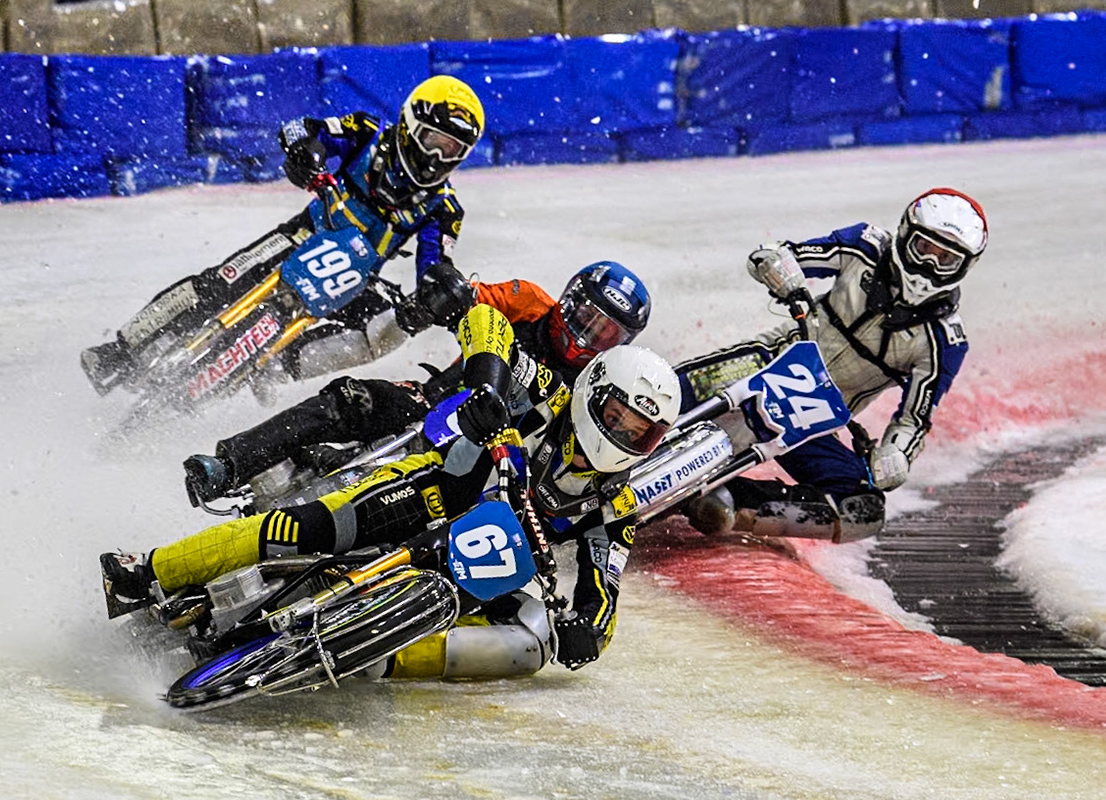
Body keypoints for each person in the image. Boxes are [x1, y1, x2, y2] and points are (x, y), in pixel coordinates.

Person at [102, 304, 681, 677]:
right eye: (619, 417)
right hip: (432, 491)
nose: (624, 436)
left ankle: (376, 659)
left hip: (480, 569)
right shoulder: (547, 398)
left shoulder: (617, 505)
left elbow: (604, 591)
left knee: (530, 644)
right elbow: (487, 322)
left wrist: (588, 634)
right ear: (593, 393)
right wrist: (484, 389)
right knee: (305, 526)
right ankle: (146, 569)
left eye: (641, 432)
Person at [81, 75, 485, 395]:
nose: (437, 158)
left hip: (354, 276)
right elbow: (300, 129)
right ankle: (122, 351)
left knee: (376, 338)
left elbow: (433, 267)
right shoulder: (366, 132)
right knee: (217, 283)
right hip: (304, 234)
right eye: (435, 141)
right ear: (413, 122)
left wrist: (435, 298)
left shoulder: (444, 209)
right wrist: (304, 155)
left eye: (452, 151)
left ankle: (278, 366)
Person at [181, 260, 652, 506]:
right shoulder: (529, 302)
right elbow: (474, 299)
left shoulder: (601, 381)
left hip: (489, 464)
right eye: (588, 317)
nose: (588, 335)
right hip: (433, 401)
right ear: (569, 300)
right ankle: (231, 464)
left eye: (607, 332)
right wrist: (442, 296)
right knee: (347, 400)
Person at [676, 188, 988, 543]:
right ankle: (612, 436)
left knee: (863, 510)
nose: (928, 267)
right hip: (766, 362)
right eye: (923, 249)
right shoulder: (865, 246)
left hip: (813, 417)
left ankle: (727, 502)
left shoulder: (945, 340)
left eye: (945, 260)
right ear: (904, 234)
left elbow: (914, 418)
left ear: (965, 267)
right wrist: (780, 267)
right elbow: (784, 254)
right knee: (666, 392)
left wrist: (896, 455)